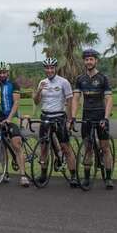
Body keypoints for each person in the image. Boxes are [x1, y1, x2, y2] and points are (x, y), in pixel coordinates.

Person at [71, 49, 114, 190]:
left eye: (91, 59)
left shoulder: (103, 78)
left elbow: (108, 99)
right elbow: (76, 99)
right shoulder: (80, 79)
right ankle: (87, 178)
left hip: (100, 115)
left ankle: (108, 178)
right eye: (86, 59)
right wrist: (73, 116)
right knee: (88, 148)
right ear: (84, 61)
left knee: (105, 148)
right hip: (87, 116)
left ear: (96, 61)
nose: (89, 61)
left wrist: (106, 118)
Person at [33, 57, 78, 188]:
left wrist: (70, 119)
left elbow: (70, 101)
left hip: (59, 117)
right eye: (47, 68)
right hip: (45, 116)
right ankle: (43, 175)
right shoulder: (42, 82)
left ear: (55, 68)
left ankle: (73, 175)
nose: (49, 70)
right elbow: (36, 101)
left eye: (52, 67)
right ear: (44, 69)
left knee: (65, 147)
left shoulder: (64, 82)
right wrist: (39, 90)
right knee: (43, 148)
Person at [0, 62, 29, 187]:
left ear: (8, 73)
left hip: (12, 118)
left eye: (4, 72)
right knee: (1, 147)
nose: (2, 74)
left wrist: (10, 118)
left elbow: (16, 103)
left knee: (16, 144)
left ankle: (23, 175)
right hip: (0, 119)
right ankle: (5, 172)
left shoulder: (13, 85)